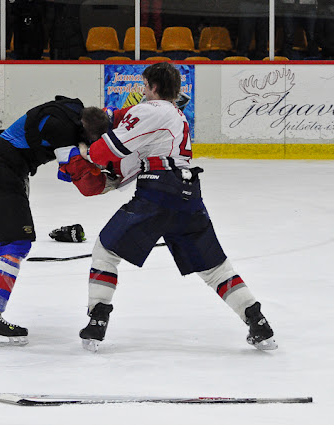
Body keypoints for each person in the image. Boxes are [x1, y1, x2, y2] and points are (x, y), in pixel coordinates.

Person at [69, 62, 277, 353]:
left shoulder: (149, 109)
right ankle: (258, 322)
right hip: (189, 194)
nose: (142, 91)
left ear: (153, 87)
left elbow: (104, 152)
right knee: (215, 268)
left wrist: (81, 152)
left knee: (106, 250)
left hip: (158, 192)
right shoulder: (177, 115)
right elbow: (139, 155)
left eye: (144, 86)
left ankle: (97, 320)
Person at [0, 95, 106, 347]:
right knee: (18, 243)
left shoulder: (70, 111)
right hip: (4, 172)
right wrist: (105, 175)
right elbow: (79, 180)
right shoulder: (63, 130)